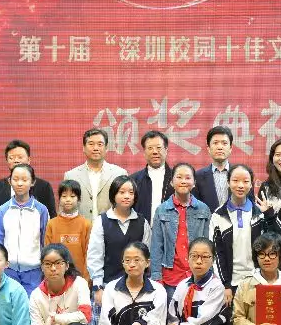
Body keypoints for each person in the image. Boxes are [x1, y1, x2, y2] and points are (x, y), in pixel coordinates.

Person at [210, 164, 281, 305]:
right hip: (231, 284)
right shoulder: (218, 215)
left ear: (251, 184)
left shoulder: (260, 213)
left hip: (259, 280)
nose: (240, 185)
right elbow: (217, 253)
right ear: (228, 182)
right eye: (235, 181)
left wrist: (269, 215)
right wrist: (225, 285)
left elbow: (280, 241)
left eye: (245, 181)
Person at [151, 163, 212, 302]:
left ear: (194, 183)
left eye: (188, 178)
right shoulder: (162, 210)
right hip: (171, 277)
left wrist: (210, 272)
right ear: (172, 182)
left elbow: (208, 243)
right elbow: (156, 246)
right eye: (179, 177)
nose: (183, 181)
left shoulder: (203, 209)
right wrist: (156, 277)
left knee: (196, 314)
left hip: (197, 275)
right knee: (172, 314)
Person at [88, 175, 151, 303]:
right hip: (108, 286)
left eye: (131, 193)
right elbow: (95, 256)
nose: (127, 196)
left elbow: (147, 255)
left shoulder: (142, 222)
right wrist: (98, 287)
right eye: (122, 192)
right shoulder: (102, 221)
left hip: (137, 287)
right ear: (113, 195)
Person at [0, 163, 51, 293]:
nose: (19, 183)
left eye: (24, 180)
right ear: (9, 181)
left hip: (34, 271)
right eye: (15, 179)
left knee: (32, 304)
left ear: (32, 182)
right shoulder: (3, 210)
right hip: (8, 270)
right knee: (8, 304)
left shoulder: (41, 210)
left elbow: (46, 242)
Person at [63, 128, 126, 221]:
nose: (95, 148)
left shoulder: (119, 174)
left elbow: (125, 207)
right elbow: (65, 209)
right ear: (83, 148)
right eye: (91, 144)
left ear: (106, 148)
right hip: (81, 228)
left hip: (111, 227)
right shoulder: (71, 176)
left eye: (100, 144)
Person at [0, 139, 56, 217]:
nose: (16, 160)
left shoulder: (44, 187)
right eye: (11, 158)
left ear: (29, 160)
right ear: (7, 161)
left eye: (20, 157)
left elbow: (51, 217)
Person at [43, 180, 93, 280]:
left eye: (72, 196)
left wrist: (86, 280)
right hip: (56, 278)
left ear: (79, 199)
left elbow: (89, 255)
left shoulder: (86, 224)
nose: (68, 199)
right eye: (64, 196)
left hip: (80, 278)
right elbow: (47, 254)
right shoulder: (52, 224)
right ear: (59, 199)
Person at [131, 130, 174, 224]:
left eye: (158, 148)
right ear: (144, 152)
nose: (155, 152)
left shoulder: (176, 178)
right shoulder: (133, 180)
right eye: (150, 148)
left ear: (166, 150)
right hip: (141, 230)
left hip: (170, 230)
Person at [193, 126, 238, 210]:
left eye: (224, 143)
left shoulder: (241, 175)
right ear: (208, 148)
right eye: (215, 143)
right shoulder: (198, 176)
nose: (220, 147)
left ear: (230, 148)